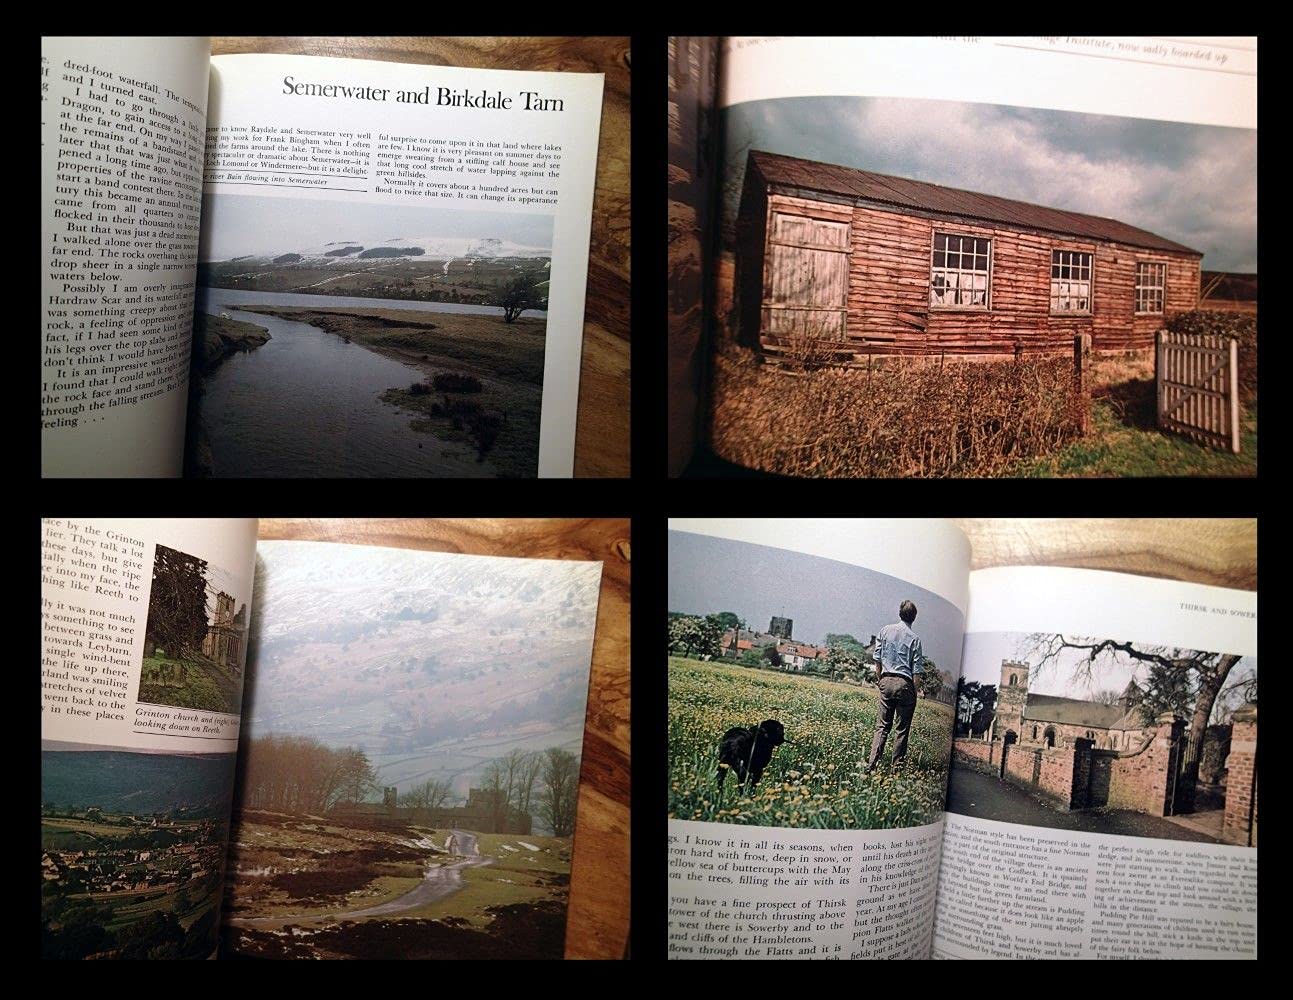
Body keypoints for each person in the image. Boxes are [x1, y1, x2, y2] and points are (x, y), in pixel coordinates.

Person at [867, 600, 924, 771]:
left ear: (900, 613)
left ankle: (871, 765)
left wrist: (880, 680)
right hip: (905, 683)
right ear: (914, 617)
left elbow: (876, 659)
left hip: (886, 679)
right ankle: (896, 769)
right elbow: (917, 672)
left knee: (882, 726)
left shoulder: (885, 630)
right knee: (902, 729)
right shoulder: (915, 639)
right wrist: (914, 693)